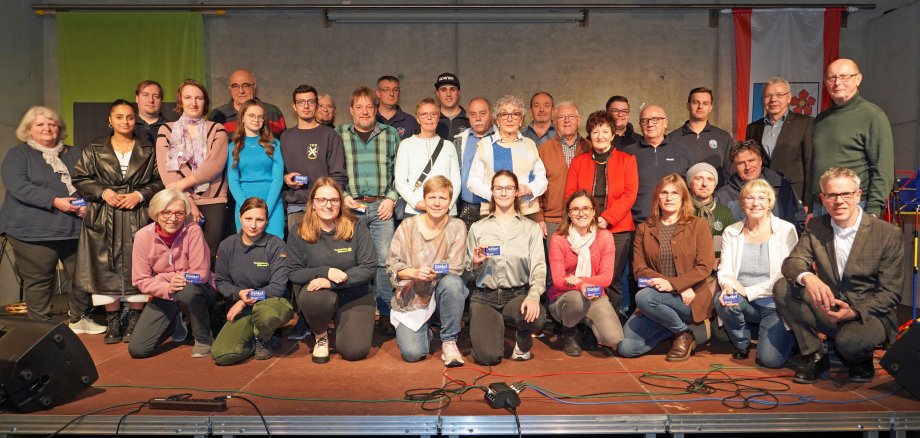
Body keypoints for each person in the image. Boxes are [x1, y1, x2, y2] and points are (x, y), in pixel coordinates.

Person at [775, 167, 903, 384]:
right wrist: (809, 277)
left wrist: (853, 312)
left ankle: (860, 358)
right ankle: (816, 353)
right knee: (783, 287)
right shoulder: (817, 226)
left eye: (846, 194)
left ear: (858, 195)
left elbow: (891, 294)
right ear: (823, 199)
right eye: (832, 195)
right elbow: (792, 263)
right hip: (830, 307)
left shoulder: (887, 233)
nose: (839, 201)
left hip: (869, 314)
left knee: (849, 344)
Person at [0, 107, 102, 334]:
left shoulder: (75, 152)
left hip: (74, 228)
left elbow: (89, 181)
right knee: (39, 283)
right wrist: (55, 201)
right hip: (31, 232)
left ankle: (79, 318)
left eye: (52, 124)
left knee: (82, 277)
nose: (47, 129)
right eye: (40, 125)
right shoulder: (18, 155)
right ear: (28, 130)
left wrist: (87, 204)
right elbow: (19, 187)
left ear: (60, 129)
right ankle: (42, 329)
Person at [72, 99, 164, 344]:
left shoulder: (149, 147)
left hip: (138, 214)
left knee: (140, 265)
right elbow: (80, 178)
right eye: (120, 117)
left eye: (130, 117)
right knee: (103, 268)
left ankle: (135, 316)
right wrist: (104, 192)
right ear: (110, 120)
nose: (125, 121)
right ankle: (112, 319)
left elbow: (160, 180)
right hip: (104, 215)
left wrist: (139, 195)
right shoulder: (94, 147)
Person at [618, 174, 715, 361]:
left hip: (690, 298)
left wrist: (677, 285)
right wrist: (673, 284)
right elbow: (639, 270)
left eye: (675, 193)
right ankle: (683, 331)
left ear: (683, 198)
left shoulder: (699, 226)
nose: (669, 198)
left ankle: (679, 331)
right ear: (657, 197)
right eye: (664, 193)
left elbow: (704, 267)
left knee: (643, 296)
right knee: (627, 348)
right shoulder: (644, 229)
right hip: (657, 298)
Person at [287, 177, 376, 363]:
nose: (328, 205)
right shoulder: (298, 231)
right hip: (320, 295)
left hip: (355, 294)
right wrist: (325, 271)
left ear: (340, 203)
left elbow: (369, 268)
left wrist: (332, 282)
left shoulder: (356, 226)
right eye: (322, 200)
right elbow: (293, 272)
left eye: (334, 200)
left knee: (354, 352)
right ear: (312, 203)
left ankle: (345, 322)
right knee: (314, 297)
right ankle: (320, 336)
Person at [336, 86, 401, 336]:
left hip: (382, 207)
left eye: (369, 106)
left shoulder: (390, 133)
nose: (365, 111)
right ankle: (357, 313)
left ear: (376, 109)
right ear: (351, 110)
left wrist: (392, 198)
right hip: (352, 209)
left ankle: (385, 313)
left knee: (385, 261)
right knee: (353, 261)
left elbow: (400, 170)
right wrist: (343, 197)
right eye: (359, 107)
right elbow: (333, 170)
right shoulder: (338, 133)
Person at [715, 179, 797, 367]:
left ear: (770, 203)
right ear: (742, 203)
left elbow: (784, 276)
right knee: (723, 300)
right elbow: (725, 269)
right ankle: (741, 343)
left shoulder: (786, 230)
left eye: (762, 198)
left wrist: (745, 291)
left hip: (774, 304)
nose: (755, 203)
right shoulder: (731, 231)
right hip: (743, 301)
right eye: (750, 198)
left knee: (770, 361)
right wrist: (728, 285)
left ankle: (790, 336)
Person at [467, 170, 547, 365]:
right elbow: (467, 272)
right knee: (488, 357)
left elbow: (538, 267)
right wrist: (476, 263)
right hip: (484, 297)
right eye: (498, 188)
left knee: (536, 316)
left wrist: (534, 296)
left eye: (509, 188)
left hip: (516, 295)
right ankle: (495, 327)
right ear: (492, 192)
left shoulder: (530, 228)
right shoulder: (477, 228)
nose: (503, 193)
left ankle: (522, 335)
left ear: (516, 192)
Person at [387, 176, 468, 365]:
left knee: (453, 283)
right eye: (432, 198)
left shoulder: (457, 226)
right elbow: (392, 264)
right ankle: (426, 329)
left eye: (443, 198)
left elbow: (455, 266)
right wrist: (413, 273)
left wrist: (430, 272)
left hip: (443, 296)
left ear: (450, 201)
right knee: (412, 354)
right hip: (413, 296)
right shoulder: (407, 226)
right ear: (424, 199)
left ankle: (449, 341)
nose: (437, 203)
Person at [129, 188, 217, 359]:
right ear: (155, 213)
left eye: (179, 213)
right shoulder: (142, 236)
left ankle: (204, 339)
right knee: (138, 350)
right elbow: (140, 280)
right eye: (166, 213)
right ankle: (177, 320)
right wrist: (166, 286)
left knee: (187, 292)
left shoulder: (193, 231)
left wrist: (166, 278)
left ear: (186, 214)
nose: (173, 218)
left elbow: (200, 273)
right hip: (166, 292)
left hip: (199, 288)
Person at [565, 110, 638, 314]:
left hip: (618, 229)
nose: (600, 136)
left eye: (605, 131)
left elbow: (630, 194)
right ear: (590, 135)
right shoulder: (578, 162)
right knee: (588, 275)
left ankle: (610, 323)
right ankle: (589, 323)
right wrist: (585, 221)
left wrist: (607, 219)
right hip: (584, 228)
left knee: (611, 278)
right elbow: (571, 194)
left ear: (613, 135)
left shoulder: (627, 160)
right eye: (596, 131)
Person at [211, 197, 293, 365]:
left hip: (271, 303)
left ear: (267, 221)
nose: (253, 225)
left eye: (259, 219)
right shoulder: (227, 245)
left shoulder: (276, 245)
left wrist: (243, 301)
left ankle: (264, 337)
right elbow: (221, 282)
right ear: (240, 217)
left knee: (266, 315)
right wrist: (238, 293)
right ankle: (256, 339)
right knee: (222, 355)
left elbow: (277, 288)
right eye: (248, 219)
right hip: (244, 305)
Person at [156, 79, 229, 259]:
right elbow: (167, 172)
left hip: (214, 199)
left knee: (210, 255)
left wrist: (183, 185)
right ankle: (187, 288)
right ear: (180, 100)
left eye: (199, 98)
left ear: (205, 102)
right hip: (179, 200)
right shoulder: (166, 130)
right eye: (188, 97)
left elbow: (214, 165)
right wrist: (188, 200)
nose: (194, 103)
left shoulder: (217, 129)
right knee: (183, 254)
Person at [810, 59, 893, 217]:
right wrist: (810, 205)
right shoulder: (820, 120)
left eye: (844, 76)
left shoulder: (873, 116)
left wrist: (873, 211)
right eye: (832, 78)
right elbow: (814, 167)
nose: (837, 82)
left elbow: (883, 169)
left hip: (855, 205)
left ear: (858, 79)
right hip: (820, 206)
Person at [547, 191, 623, 356]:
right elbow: (559, 281)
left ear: (594, 211)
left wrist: (578, 281)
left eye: (586, 208)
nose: (581, 213)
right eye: (575, 209)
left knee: (613, 338)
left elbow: (606, 278)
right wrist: (581, 285)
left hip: (595, 295)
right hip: (565, 297)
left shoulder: (605, 237)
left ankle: (586, 325)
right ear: (569, 213)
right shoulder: (558, 239)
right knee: (577, 300)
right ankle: (569, 331)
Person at [467, 95, 548, 220]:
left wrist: (528, 189)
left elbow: (542, 179)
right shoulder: (484, 145)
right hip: (492, 212)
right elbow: (473, 182)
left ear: (521, 120)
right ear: (497, 121)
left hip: (527, 212)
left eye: (515, 114)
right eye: (504, 114)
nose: (509, 119)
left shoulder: (529, 145)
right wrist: (499, 196)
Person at [280, 85, 347, 236]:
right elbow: (279, 171)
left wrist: (328, 202)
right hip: (296, 207)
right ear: (294, 107)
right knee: (298, 256)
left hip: (325, 208)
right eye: (301, 102)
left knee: (325, 256)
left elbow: (339, 176)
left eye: (310, 102)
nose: (306, 106)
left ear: (316, 105)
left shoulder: (330, 136)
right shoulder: (286, 137)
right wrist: (285, 178)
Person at [744, 76, 814, 203]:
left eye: (779, 94)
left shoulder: (806, 123)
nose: (773, 99)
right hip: (762, 194)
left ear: (789, 97)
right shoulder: (753, 128)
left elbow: (810, 164)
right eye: (768, 96)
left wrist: (808, 202)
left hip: (794, 193)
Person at [622, 105, 691, 224]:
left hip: (675, 223)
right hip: (638, 223)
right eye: (645, 121)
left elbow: (689, 188)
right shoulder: (628, 153)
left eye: (655, 119)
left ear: (665, 122)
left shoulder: (681, 151)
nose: (650, 124)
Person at [715, 140, 805, 232]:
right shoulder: (723, 196)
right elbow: (718, 230)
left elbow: (798, 221)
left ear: (760, 161)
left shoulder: (782, 187)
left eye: (751, 160)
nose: (748, 167)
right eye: (741, 163)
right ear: (734, 166)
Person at [227, 99, 284, 238]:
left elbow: (278, 179)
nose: (256, 120)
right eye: (251, 116)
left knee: (274, 248)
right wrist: (247, 208)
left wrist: (266, 209)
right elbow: (233, 181)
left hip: (272, 204)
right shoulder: (233, 147)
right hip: (244, 205)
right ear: (242, 119)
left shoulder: (274, 144)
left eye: (260, 116)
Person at [394, 98, 460, 218]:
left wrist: (446, 206)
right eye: (424, 114)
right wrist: (416, 203)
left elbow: (456, 181)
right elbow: (400, 181)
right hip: (416, 211)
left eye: (433, 114)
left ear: (438, 117)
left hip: (446, 212)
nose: (429, 118)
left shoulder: (448, 146)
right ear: (418, 119)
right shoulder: (406, 144)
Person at [537, 102, 589, 238]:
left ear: (579, 120)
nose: (566, 121)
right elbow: (536, 186)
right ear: (554, 122)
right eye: (561, 117)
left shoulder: (590, 148)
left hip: (585, 219)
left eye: (571, 116)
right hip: (553, 221)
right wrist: (539, 218)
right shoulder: (543, 149)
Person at [666, 87, 733, 179]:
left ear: (710, 108)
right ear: (688, 106)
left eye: (705, 103)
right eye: (695, 102)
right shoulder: (672, 138)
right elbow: (668, 174)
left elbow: (731, 172)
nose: (700, 106)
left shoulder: (724, 137)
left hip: (716, 193)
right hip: (684, 193)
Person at [452, 97, 494, 228]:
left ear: (491, 114)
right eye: (473, 114)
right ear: (468, 117)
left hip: (495, 206)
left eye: (482, 113)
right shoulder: (458, 141)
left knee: (492, 247)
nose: (478, 118)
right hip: (466, 207)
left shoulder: (501, 138)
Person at [208, 69, 286, 137]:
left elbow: (284, 146)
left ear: (254, 86)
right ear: (229, 88)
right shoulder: (217, 116)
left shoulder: (273, 112)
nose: (241, 91)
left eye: (246, 85)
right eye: (235, 86)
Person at [686, 162, 734, 258]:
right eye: (698, 179)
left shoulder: (725, 212)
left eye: (710, 179)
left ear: (715, 184)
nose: (704, 184)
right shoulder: (681, 210)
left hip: (717, 269)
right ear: (689, 183)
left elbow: (731, 246)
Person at [376, 75, 418, 140]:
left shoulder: (410, 122)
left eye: (395, 90)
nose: (391, 94)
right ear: (378, 93)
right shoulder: (369, 119)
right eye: (387, 89)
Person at [434, 73, 469, 139]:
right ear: (437, 93)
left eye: (452, 89)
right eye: (443, 90)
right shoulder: (430, 120)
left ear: (459, 92)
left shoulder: (470, 119)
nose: (448, 94)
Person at [134, 80, 168, 144]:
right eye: (145, 95)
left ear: (161, 101)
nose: (151, 100)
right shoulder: (127, 126)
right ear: (137, 98)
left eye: (156, 96)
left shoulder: (172, 128)